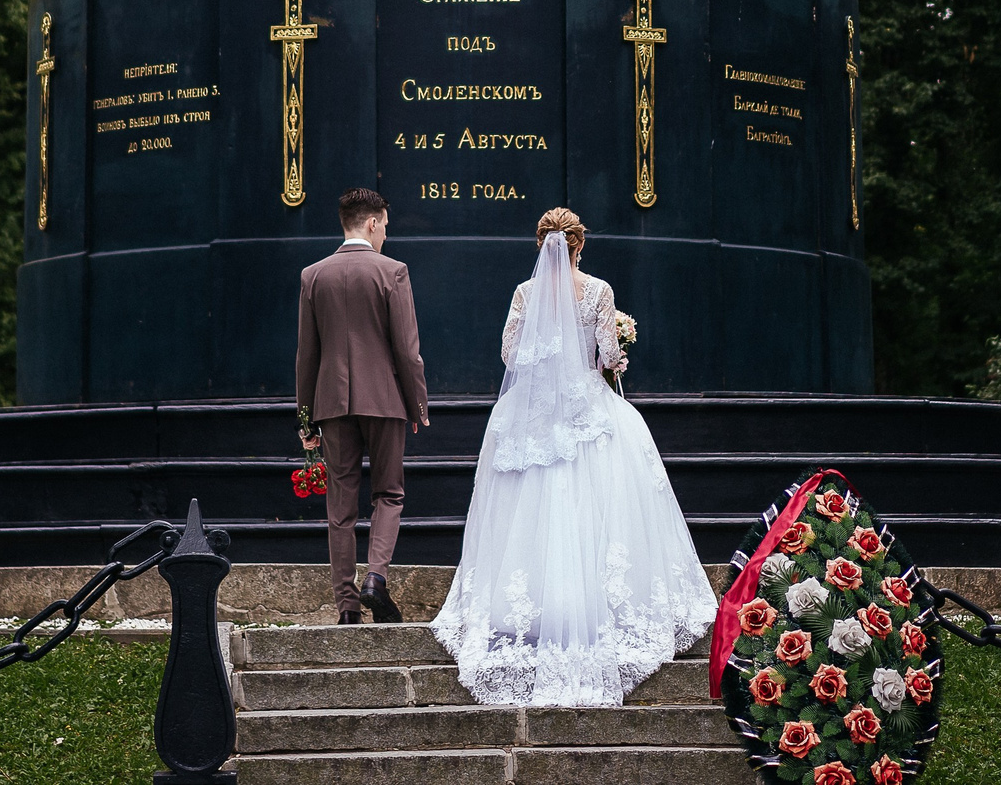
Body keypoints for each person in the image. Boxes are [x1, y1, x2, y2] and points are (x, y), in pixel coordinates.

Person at [431, 207, 715, 706]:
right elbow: (608, 355)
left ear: (541, 246)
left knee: (530, 505)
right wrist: (617, 353)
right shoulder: (599, 290)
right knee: (596, 503)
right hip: (587, 406)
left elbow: (509, 355)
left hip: (534, 413)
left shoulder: (525, 293)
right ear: (579, 245)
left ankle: (530, 608)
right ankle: (590, 605)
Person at [296, 186, 431, 624]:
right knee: (389, 493)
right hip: (386, 400)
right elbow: (407, 350)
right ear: (372, 223)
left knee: (340, 509)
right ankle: (375, 578)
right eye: (385, 226)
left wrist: (305, 418)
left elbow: (306, 356)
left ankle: (347, 608)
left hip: (331, 404)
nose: (385, 235)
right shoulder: (393, 272)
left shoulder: (313, 275)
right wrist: (418, 405)